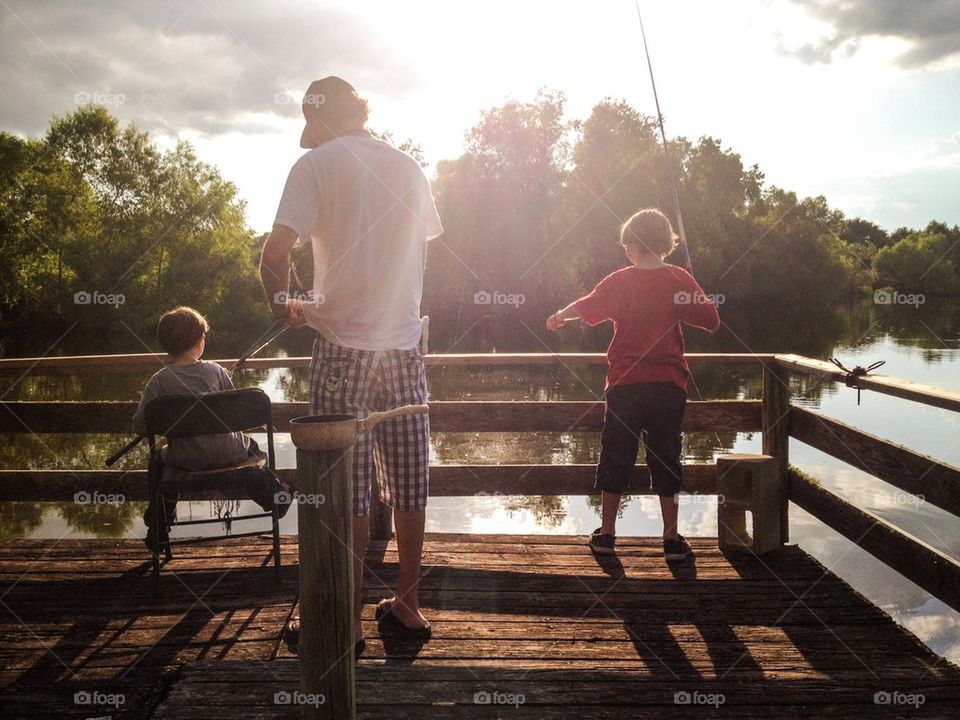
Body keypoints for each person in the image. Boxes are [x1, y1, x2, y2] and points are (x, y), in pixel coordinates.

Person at [260, 76, 443, 653]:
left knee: (345, 487)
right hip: (404, 343)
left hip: (342, 345)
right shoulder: (410, 167)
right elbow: (419, 251)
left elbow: (274, 253)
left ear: (318, 121)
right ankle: (408, 605)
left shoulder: (314, 165)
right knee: (409, 480)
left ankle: (349, 620)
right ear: (359, 113)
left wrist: (285, 301)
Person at [546, 208, 719, 561]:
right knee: (666, 455)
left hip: (625, 385)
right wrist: (692, 291)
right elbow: (712, 321)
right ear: (664, 243)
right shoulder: (678, 279)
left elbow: (587, 306)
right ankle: (671, 538)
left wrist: (560, 315)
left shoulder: (619, 281)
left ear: (632, 246)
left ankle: (607, 533)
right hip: (668, 386)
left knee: (616, 454)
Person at [133, 306, 287, 552]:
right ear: (200, 341)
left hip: (186, 461)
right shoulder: (216, 371)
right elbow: (236, 414)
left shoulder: (158, 381)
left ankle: (159, 525)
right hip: (230, 455)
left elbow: (140, 425)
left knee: (157, 460)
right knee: (251, 446)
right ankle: (274, 494)